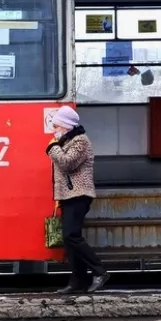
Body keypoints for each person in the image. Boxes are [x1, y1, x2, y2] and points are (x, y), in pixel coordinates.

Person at [47, 106, 109, 294]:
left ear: (66, 126)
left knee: (71, 236)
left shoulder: (80, 141)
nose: (54, 129)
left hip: (79, 195)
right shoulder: (68, 140)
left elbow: (67, 163)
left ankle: (100, 271)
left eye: (57, 126)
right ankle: (78, 280)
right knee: (69, 239)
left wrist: (53, 148)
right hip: (68, 196)